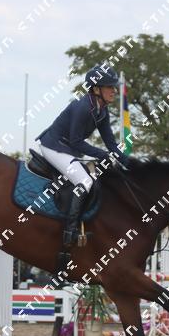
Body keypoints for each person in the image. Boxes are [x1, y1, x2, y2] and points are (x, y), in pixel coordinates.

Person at [35, 65, 129, 246]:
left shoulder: (102, 111)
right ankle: (70, 231)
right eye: (109, 87)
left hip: (67, 149)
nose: (114, 91)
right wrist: (102, 155)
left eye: (114, 87)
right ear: (96, 89)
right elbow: (76, 141)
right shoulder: (83, 107)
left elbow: (111, 144)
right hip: (53, 146)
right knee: (84, 181)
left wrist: (130, 163)